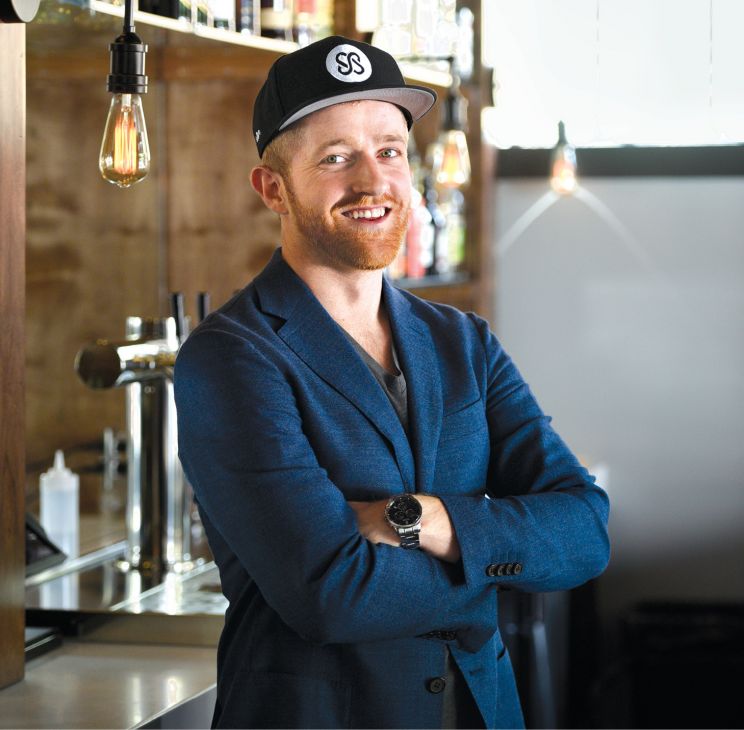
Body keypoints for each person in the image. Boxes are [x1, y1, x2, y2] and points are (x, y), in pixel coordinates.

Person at [174, 35, 610, 730]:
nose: (372, 182)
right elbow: (332, 592)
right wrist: (495, 560)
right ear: (273, 188)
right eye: (335, 157)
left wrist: (423, 520)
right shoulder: (232, 357)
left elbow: (585, 530)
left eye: (389, 151)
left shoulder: (463, 342)